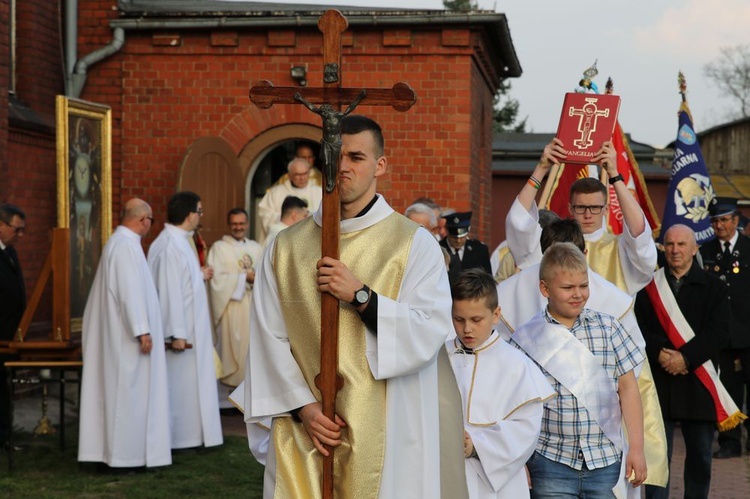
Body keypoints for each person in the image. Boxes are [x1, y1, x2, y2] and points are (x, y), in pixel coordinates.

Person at [244, 115, 467, 498]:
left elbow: (429, 330)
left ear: (380, 165)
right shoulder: (284, 248)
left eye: (356, 157)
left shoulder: (413, 244)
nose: (343, 166)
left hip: (388, 421)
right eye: (334, 155)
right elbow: (268, 337)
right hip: (306, 424)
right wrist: (304, 409)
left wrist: (361, 296)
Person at [497, 219, 669, 489]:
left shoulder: (610, 328)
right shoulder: (526, 339)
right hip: (549, 460)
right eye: (567, 288)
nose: (578, 295)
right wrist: (519, 460)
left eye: (583, 286)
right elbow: (515, 404)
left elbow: (628, 388)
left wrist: (636, 448)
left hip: (604, 458)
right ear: (545, 289)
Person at [635, 224, 735, 498]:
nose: (675, 250)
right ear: (663, 248)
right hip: (660, 385)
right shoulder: (648, 288)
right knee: (657, 457)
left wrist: (686, 358)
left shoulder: (714, 287)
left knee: (701, 458)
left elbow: (719, 331)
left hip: (697, 385)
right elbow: (639, 327)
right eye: (669, 244)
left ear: (694, 249)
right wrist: (659, 352)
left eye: (681, 245)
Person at [78, 198, 171, 468]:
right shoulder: (125, 247)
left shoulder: (122, 244)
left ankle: (122, 455)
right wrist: (141, 330)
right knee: (127, 396)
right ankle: (124, 458)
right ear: (144, 220)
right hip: (127, 339)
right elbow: (129, 292)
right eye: (150, 222)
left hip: (122, 335)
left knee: (125, 396)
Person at [448, 268, 554, 498]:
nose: (467, 329)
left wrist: (477, 446)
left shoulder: (517, 364)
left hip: (496, 482)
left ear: (496, 314)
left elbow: (525, 429)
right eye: (459, 319)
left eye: (476, 320)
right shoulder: (438, 357)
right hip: (444, 471)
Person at [506, 138, 657, 296]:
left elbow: (639, 233)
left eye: (595, 208)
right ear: (570, 208)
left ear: (606, 209)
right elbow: (519, 222)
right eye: (581, 207)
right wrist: (541, 168)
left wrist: (614, 174)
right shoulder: (552, 246)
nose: (587, 214)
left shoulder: (620, 250)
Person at [148, 191, 223, 450]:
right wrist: (176, 333)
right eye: (200, 211)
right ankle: (182, 437)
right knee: (181, 387)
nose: (200, 217)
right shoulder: (170, 245)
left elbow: (183, 284)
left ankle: (195, 436)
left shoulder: (181, 242)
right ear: (190, 214)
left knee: (192, 386)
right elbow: (168, 292)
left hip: (192, 329)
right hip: (182, 334)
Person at [698, 197, 750, 459]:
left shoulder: (748, 248)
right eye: (715, 220)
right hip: (722, 335)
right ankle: (730, 442)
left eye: (724, 220)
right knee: (726, 387)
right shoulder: (705, 252)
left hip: (748, 330)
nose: (719, 225)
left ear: (736, 221)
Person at [207, 208, 262, 389]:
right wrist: (243, 277)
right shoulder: (219, 248)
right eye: (234, 224)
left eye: (241, 223)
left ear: (247, 224)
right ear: (229, 225)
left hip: (253, 304)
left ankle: (249, 395)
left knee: (252, 351)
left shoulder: (256, 248)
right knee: (232, 352)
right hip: (231, 307)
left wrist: (255, 279)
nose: (238, 227)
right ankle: (227, 400)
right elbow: (216, 280)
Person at [0, 204, 26, 450]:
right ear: (1, 224)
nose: (20, 235)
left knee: (3, 389)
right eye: (16, 229)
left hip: (10, 335)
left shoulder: (10, 252)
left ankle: (4, 437)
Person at [257, 157, 322, 239]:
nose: (302, 178)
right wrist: (288, 217)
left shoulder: (319, 192)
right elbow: (265, 215)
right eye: (298, 174)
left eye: (304, 174)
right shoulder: (275, 193)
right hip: (285, 238)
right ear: (290, 176)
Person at [440, 211, 492, 286]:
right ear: (447, 231)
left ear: (468, 231)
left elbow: (487, 280)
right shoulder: (439, 248)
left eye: (462, 237)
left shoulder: (479, 250)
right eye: (454, 237)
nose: (458, 240)